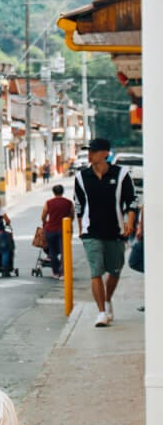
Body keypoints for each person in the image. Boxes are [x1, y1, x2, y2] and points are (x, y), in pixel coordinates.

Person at [74, 137, 137, 327]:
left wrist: (130, 222)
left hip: (115, 230)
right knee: (95, 271)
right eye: (89, 151)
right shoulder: (81, 177)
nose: (89, 154)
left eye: (93, 151)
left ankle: (107, 299)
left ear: (105, 154)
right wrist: (80, 229)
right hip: (91, 231)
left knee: (115, 269)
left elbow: (131, 201)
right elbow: (78, 205)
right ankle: (101, 312)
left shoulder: (121, 174)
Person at [40, 184, 74, 280]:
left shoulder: (49, 202)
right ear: (62, 192)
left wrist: (45, 224)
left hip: (50, 230)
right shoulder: (68, 203)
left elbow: (43, 216)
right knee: (64, 252)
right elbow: (72, 215)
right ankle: (63, 273)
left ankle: (55, 272)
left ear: (53, 192)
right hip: (64, 230)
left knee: (52, 252)